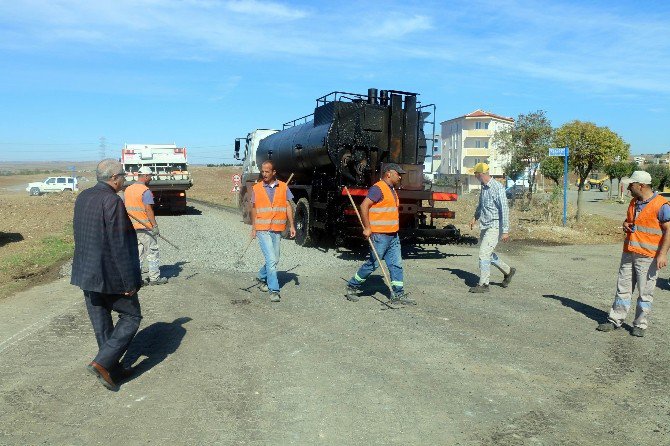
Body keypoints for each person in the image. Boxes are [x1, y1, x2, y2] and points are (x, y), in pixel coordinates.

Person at [71, 158, 144, 391]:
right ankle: (102, 363)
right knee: (131, 317)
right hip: (109, 275)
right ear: (114, 178)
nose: (124, 179)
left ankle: (112, 368)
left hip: (86, 272)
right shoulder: (111, 200)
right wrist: (129, 282)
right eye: (122, 175)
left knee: (101, 321)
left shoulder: (83, 197)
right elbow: (120, 245)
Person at [597, 170, 670, 337]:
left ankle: (640, 324)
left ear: (641, 186)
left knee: (645, 292)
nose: (629, 187)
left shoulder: (661, 205)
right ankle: (615, 319)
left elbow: (668, 231)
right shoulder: (633, 202)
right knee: (622, 288)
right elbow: (631, 221)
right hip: (629, 252)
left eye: (631, 184)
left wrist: (663, 254)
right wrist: (625, 224)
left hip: (648, 256)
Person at [345, 163, 415, 305]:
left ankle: (398, 294)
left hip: (393, 235)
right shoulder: (378, 188)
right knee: (373, 264)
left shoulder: (392, 189)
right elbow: (364, 206)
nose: (400, 176)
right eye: (398, 174)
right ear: (388, 173)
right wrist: (367, 227)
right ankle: (352, 286)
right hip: (380, 236)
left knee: (396, 265)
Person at [250, 160, 296, 302]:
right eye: (262, 171)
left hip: (277, 229)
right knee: (271, 260)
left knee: (275, 259)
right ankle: (274, 290)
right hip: (262, 229)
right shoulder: (256, 188)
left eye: (267, 171)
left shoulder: (283, 187)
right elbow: (254, 208)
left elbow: (288, 206)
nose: (264, 174)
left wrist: (292, 225)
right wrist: (253, 227)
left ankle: (261, 276)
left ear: (274, 172)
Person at [469, 162, 515, 293]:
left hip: (495, 226)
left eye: (475, 174)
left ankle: (484, 284)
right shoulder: (483, 186)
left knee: (483, 254)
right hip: (485, 224)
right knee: (487, 253)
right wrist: (475, 217)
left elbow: (504, 209)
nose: (475, 176)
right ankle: (508, 271)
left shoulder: (497, 187)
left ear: (480, 174)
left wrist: (505, 231)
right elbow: (481, 204)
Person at [124, 166, 167, 285]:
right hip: (145, 228)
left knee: (137, 255)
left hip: (132, 228)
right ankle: (154, 278)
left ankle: (137, 279)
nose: (151, 178)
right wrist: (154, 226)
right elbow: (148, 209)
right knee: (152, 252)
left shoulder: (128, 189)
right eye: (151, 176)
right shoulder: (145, 191)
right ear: (146, 176)